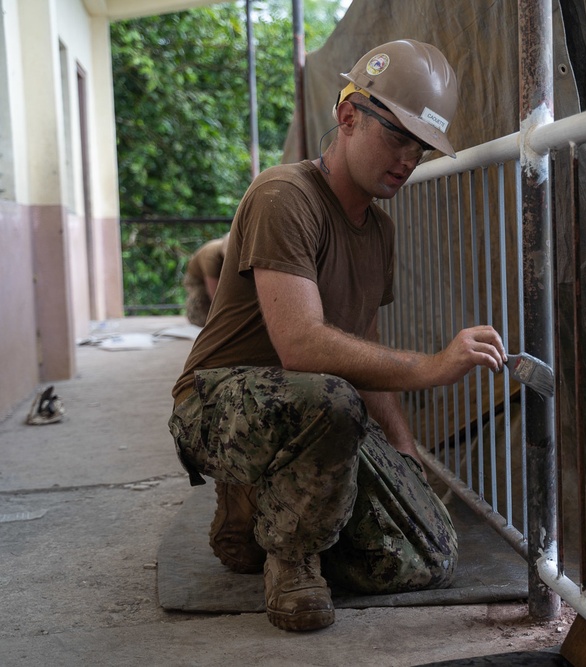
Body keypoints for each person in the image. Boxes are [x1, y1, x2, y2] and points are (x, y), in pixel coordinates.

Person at [167, 39, 507, 633]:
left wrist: (406, 458)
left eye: (421, 146)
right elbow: (302, 345)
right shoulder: (284, 195)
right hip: (219, 405)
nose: (409, 159)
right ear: (349, 117)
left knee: (430, 554)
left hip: (312, 406)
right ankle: (292, 560)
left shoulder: (379, 230)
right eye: (397, 136)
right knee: (330, 398)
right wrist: (432, 365)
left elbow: (364, 342)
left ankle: (262, 511)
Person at [183, 232, 229, 327]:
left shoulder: (231, 250)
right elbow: (214, 295)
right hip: (196, 279)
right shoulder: (211, 258)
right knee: (201, 314)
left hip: (220, 274)